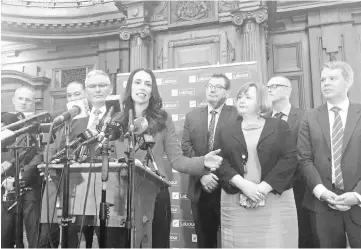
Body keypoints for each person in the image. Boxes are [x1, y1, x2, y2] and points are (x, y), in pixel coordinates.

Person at [114, 68, 223, 248]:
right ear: (130, 87)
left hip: (155, 191)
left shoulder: (163, 119)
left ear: (153, 90)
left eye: (148, 84)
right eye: (138, 82)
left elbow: (177, 159)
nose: (142, 87)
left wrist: (202, 161)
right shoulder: (116, 120)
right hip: (122, 193)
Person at [217, 82, 298, 247]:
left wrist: (261, 190)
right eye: (239, 97)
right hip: (236, 201)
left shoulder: (280, 126)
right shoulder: (225, 129)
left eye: (248, 97)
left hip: (274, 200)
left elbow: (289, 160)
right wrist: (244, 185)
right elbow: (219, 162)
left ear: (261, 101)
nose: (241, 100)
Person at [297, 61, 361, 248]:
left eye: (333, 78)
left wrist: (357, 195)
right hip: (322, 205)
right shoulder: (309, 116)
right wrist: (322, 192)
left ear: (349, 81)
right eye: (323, 79)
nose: (326, 83)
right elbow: (304, 159)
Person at [181, 74, 238, 248]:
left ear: (227, 92)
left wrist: (219, 174)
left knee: (234, 241)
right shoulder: (192, 116)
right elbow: (186, 147)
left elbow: (237, 150)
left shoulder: (237, 115)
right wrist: (203, 173)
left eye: (218, 87)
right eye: (209, 86)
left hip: (229, 187)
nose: (212, 89)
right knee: (205, 241)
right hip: (200, 187)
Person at [38, 81, 94, 248]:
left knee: (74, 238)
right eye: (69, 95)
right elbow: (50, 149)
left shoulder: (93, 120)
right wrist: (48, 164)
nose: (73, 98)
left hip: (81, 187)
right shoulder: (63, 120)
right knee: (47, 238)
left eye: (77, 94)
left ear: (86, 94)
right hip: (55, 185)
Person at [267, 76, 312, 247]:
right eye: (268, 86)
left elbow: (307, 150)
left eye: (275, 86)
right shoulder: (262, 117)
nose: (270, 89)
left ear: (287, 90)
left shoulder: (305, 116)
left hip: (298, 186)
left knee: (301, 234)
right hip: (268, 187)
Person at [1, 86, 43, 248]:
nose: (23, 103)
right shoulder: (3, 122)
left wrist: (21, 177)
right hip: (6, 187)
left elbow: (40, 154)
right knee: (6, 235)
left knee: (34, 235)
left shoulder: (39, 123)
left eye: (28, 100)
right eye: (20, 99)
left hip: (30, 186)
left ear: (34, 103)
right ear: (13, 100)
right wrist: (5, 178)